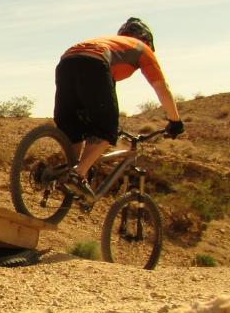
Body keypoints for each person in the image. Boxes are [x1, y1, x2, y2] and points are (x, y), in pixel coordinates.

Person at [52, 17, 184, 201]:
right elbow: (162, 88)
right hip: (94, 64)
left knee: (73, 126)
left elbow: (101, 94)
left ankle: (67, 174)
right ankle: (79, 173)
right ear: (146, 40)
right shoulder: (141, 48)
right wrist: (175, 121)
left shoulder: (112, 44)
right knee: (107, 129)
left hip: (66, 61)